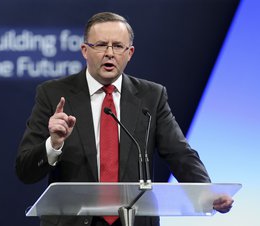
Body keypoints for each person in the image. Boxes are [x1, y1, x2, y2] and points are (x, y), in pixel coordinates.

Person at [16, 12, 234, 226]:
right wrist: (53, 144)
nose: (110, 53)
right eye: (101, 45)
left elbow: (180, 153)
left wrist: (206, 193)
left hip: (134, 219)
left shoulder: (151, 96)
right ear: (84, 50)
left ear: (130, 53)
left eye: (118, 46)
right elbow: (25, 170)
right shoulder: (53, 94)